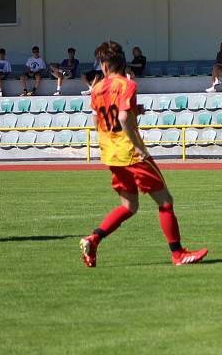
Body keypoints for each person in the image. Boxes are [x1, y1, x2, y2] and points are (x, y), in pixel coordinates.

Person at [79, 40, 207, 267]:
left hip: (112, 155)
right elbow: (121, 118)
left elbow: (97, 119)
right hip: (132, 154)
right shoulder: (128, 85)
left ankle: (93, 239)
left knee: (129, 206)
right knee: (165, 201)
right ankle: (178, 254)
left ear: (105, 66)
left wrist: (131, 113)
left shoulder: (97, 88)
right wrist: (137, 146)